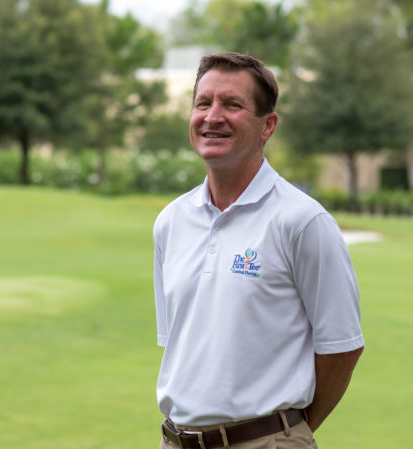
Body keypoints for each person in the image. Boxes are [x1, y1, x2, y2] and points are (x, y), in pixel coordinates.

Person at [153, 52, 364, 449]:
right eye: (203, 103)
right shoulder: (170, 221)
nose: (212, 116)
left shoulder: (302, 221)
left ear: (267, 125)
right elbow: (180, 343)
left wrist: (289, 433)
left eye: (232, 105)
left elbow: (342, 347)